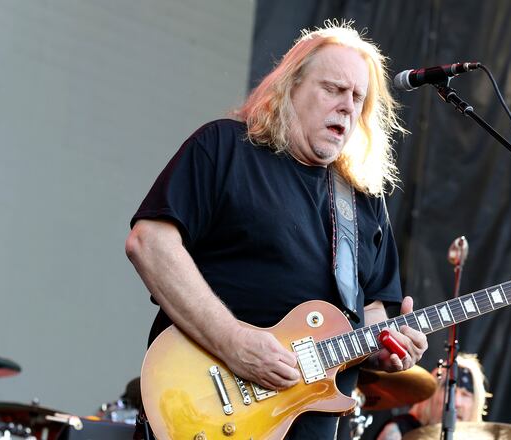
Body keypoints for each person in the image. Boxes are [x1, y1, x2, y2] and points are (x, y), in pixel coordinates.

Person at [125, 21, 428, 439]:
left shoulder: (363, 200)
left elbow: (370, 310)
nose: (347, 106)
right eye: (333, 89)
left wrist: (386, 346)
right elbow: (149, 242)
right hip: (208, 410)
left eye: (357, 97)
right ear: (291, 87)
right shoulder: (226, 147)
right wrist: (233, 340)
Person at [375, 353, 490, 440]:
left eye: (465, 394)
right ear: (433, 393)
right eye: (451, 391)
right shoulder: (400, 431)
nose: (457, 403)